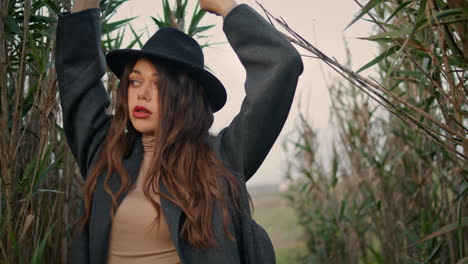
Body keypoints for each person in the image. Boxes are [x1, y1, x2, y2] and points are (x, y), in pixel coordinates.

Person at [55, 0, 303, 263]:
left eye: (159, 85)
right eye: (135, 81)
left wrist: (227, 8)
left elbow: (281, 65)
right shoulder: (105, 154)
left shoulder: (222, 160)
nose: (142, 94)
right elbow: (77, 75)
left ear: (185, 98)